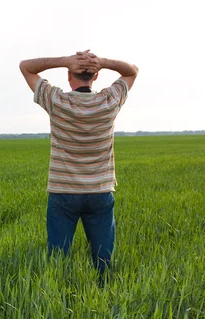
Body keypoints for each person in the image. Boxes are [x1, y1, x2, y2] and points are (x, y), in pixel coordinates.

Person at [19, 50, 138, 281]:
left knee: (58, 259)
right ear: (95, 77)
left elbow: (26, 66)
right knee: (103, 261)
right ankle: (104, 296)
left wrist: (64, 60)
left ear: (68, 76)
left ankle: (58, 298)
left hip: (63, 192)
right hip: (100, 192)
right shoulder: (109, 101)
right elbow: (132, 71)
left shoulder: (57, 101)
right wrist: (102, 62)